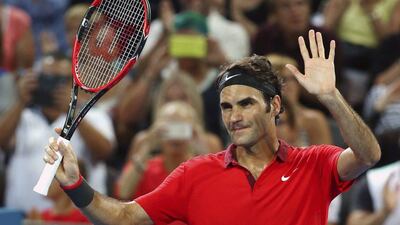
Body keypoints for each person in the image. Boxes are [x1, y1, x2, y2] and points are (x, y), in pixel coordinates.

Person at [42, 30, 381, 225]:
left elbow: (368, 155)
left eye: (246, 103)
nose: (234, 116)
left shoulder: (314, 165)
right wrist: (75, 184)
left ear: (274, 106)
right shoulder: (194, 174)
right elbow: (125, 218)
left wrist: (331, 96)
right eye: (226, 106)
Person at [0, 52, 115, 212]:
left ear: (74, 83)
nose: (52, 86)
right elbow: (2, 141)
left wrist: (73, 112)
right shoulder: (23, 117)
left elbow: (104, 153)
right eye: (46, 78)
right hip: (24, 218)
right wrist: (20, 101)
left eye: (59, 80)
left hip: (78, 219)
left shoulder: (93, 116)